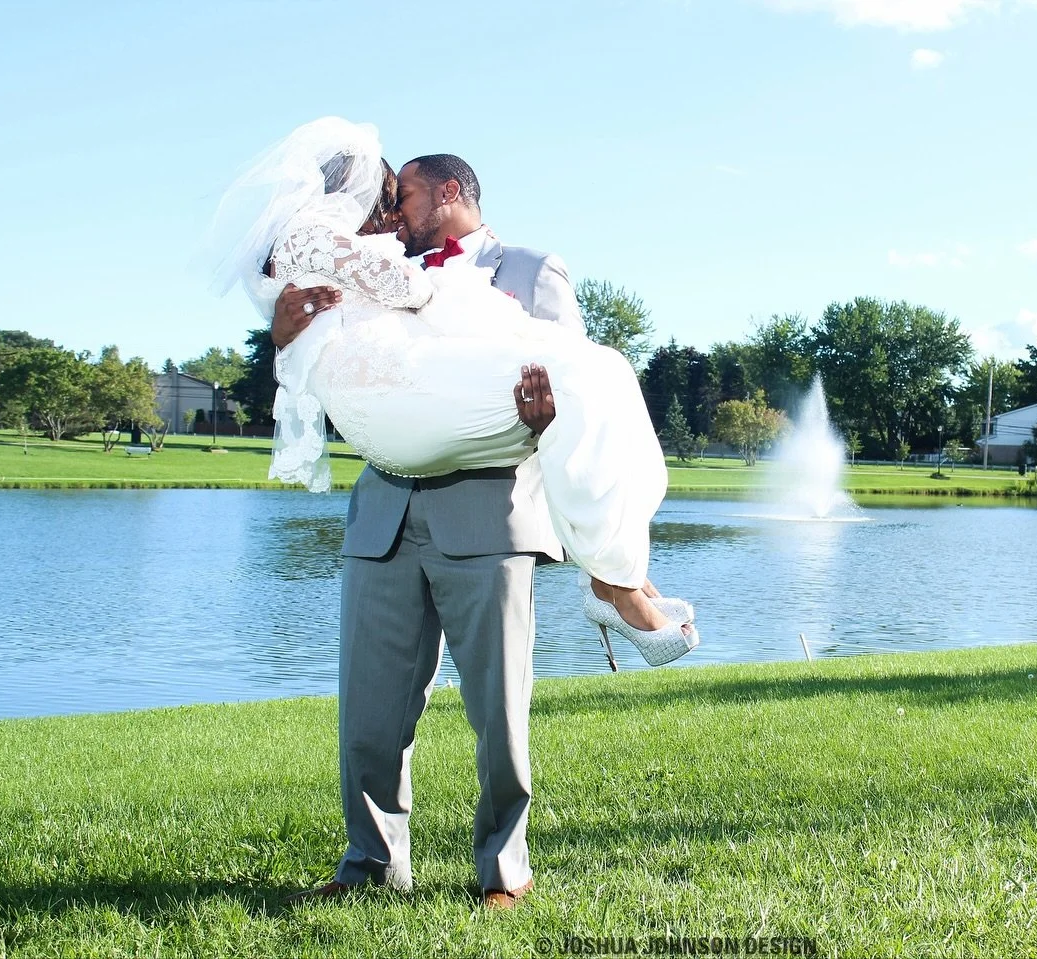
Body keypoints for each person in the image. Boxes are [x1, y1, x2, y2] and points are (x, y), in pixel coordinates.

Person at [204, 118, 693, 909]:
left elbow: (564, 380)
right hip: (382, 511)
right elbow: (345, 369)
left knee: (498, 715)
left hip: (487, 510)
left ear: (452, 192)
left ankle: (503, 870)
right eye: (387, 199)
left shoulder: (531, 267)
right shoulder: (373, 258)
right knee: (367, 712)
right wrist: (283, 335)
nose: (394, 212)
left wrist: (539, 420)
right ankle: (368, 863)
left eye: (405, 197)